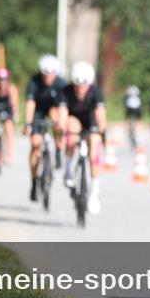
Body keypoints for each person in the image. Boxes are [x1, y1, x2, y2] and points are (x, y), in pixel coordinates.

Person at [59, 61, 107, 214]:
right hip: (74, 119)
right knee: (71, 131)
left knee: (94, 147)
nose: (80, 89)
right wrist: (61, 130)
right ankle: (68, 168)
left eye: (84, 86)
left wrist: (102, 132)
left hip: (90, 120)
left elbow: (100, 114)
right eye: (77, 85)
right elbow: (62, 114)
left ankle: (94, 191)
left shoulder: (96, 92)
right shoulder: (65, 92)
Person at [24, 54, 66, 201]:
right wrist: (28, 123)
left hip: (53, 110)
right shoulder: (34, 82)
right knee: (35, 145)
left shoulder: (61, 84)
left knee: (57, 119)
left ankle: (59, 149)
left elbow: (62, 108)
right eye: (45, 75)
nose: (48, 78)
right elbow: (30, 104)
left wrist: (62, 126)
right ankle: (34, 181)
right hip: (38, 112)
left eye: (51, 75)